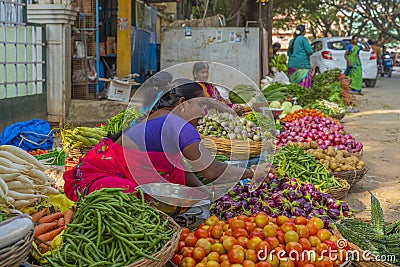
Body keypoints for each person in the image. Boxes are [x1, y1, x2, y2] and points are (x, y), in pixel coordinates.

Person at [63, 79, 272, 202]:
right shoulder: (176, 124)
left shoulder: (157, 117)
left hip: (94, 177)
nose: (204, 113)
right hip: (101, 185)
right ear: (182, 103)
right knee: (142, 202)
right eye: (200, 106)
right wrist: (252, 172)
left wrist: (204, 194)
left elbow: (178, 170)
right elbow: (211, 170)